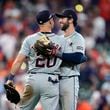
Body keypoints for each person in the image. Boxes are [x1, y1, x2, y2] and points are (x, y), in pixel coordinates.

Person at [5, 10, 86, 110]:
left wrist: (10, 78)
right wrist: (83, 58)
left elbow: (18, 61)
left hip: (33, 79)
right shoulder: (61, 40)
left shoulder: (29, 39)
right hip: (51, 81)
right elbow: (75, 57)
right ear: (50, 22)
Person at [56, 9, 86, 110]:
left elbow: (77, 57)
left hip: (69, 80)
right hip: (55, 82)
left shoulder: (77, 38)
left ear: (70, 20)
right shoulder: (58, 39)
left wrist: (58, 55)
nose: (60, 21)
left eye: (62, 18)